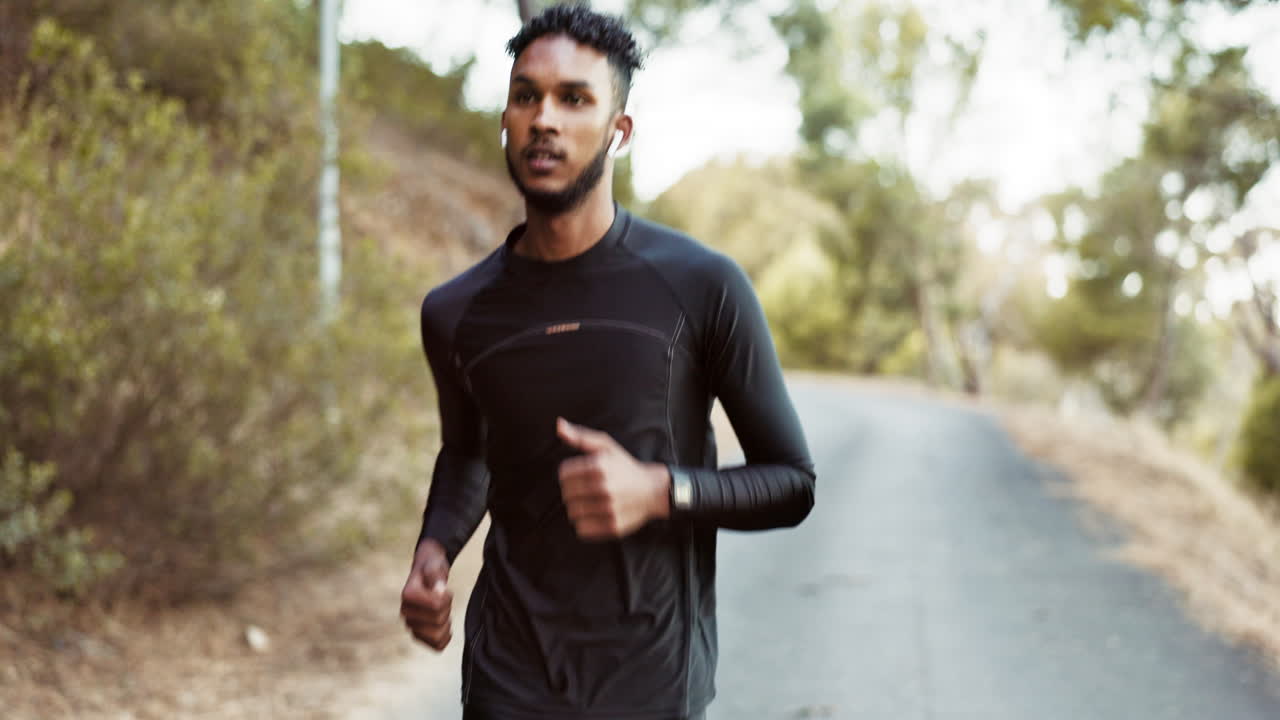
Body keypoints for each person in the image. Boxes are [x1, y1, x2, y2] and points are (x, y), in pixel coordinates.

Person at [399, 5, 816, 719]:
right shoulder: (456, 311)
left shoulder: (700, 286)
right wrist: (434, 549)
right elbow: (469, 452)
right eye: (526, 96)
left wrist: (659, 491)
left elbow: (791, 483)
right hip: (506, 681)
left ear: (618, 131)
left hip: (651, 683)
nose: (544, 119)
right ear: (505, 119)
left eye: (574, 99)